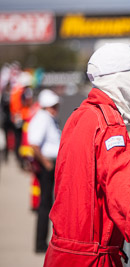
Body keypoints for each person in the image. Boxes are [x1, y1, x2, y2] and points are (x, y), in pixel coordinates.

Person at [43, 43, 130, 267]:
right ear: (122, 79)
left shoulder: (80, 116)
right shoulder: (109, 125)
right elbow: (122, 195)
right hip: (93, 260)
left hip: (60, 255)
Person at [27, 89, 61, 253]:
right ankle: (41, 244)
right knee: (45, 204)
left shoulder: (47, 118)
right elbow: (34, 143)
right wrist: (46, 163)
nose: (56, 108)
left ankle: (43, 242)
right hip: (48, 165)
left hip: (50, 163)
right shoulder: (43, 118)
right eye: (53, 105)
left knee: (48, 203)